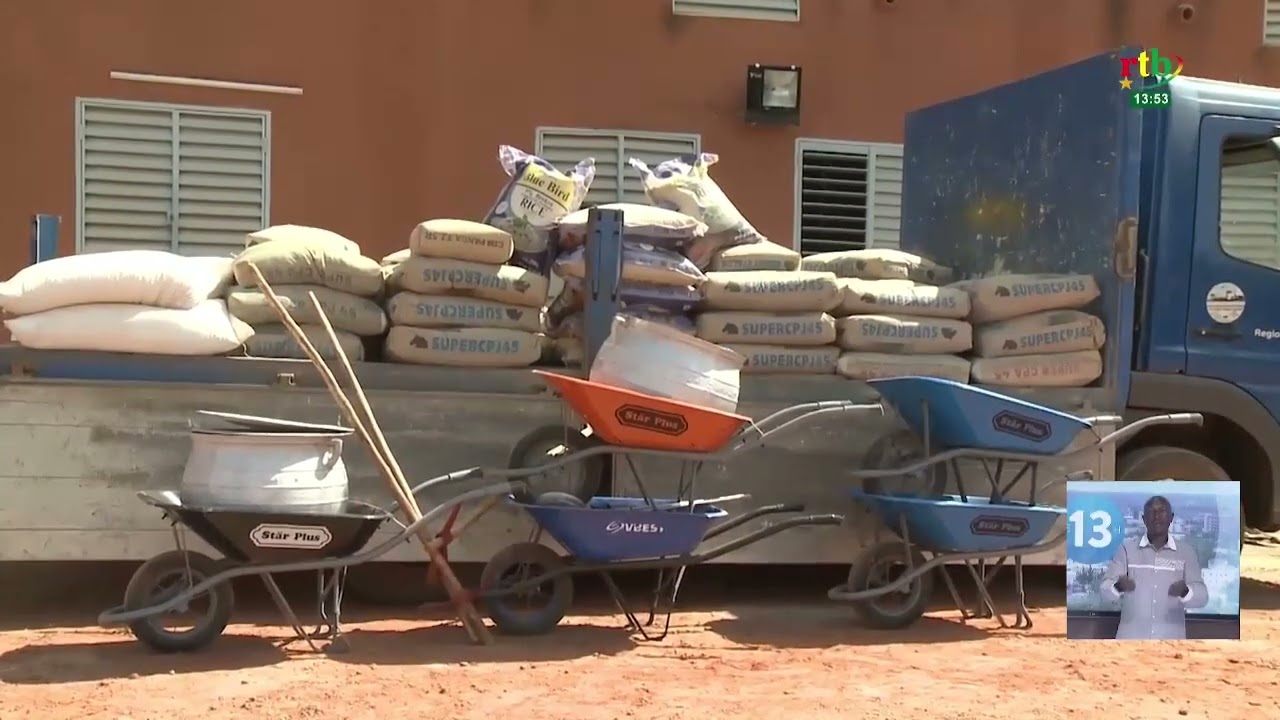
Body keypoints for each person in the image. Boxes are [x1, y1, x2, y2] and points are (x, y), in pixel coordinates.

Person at [1100, 495, 1208, 639]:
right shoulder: (1126, 550)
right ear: (1144, 519)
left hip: (1171, 642)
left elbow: (1202, 597)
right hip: (1130, 642)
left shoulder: (1186, 552)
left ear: (1171, 517)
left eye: (1162, 511)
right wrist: (1118, 587)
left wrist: (1186, 592)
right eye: (1151, 512)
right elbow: (1103, 593)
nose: (1156, 516)